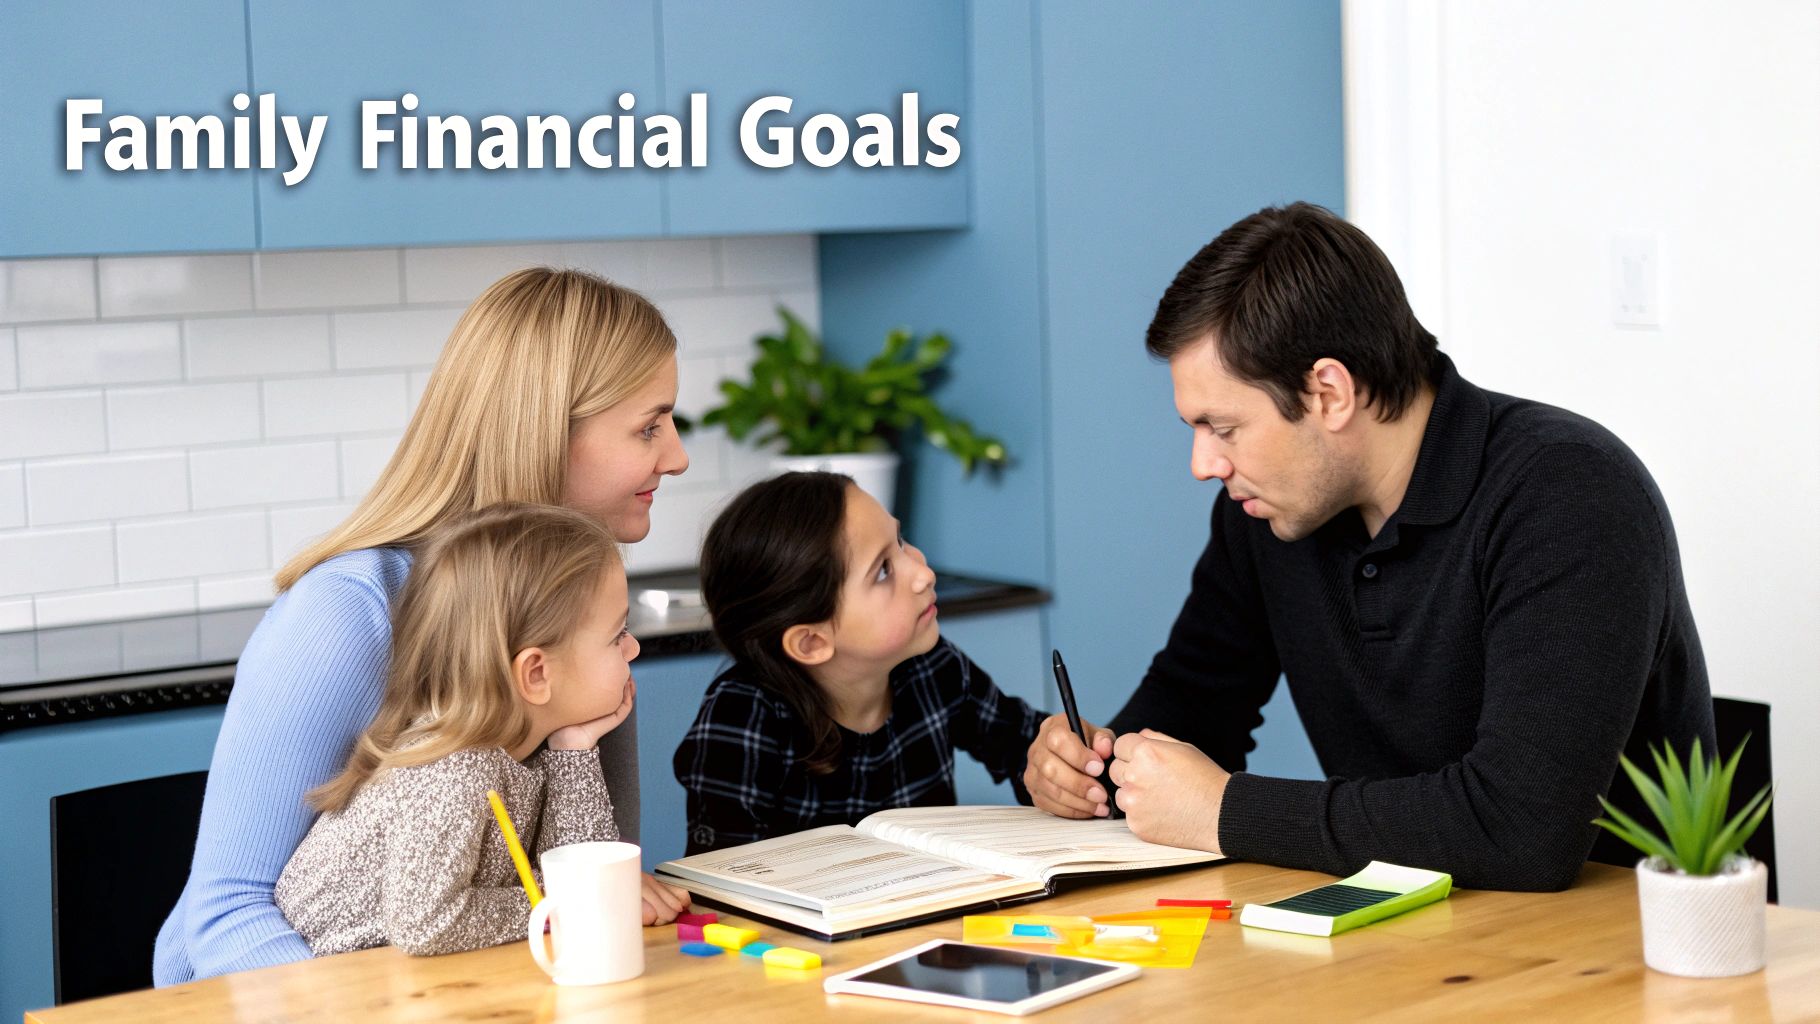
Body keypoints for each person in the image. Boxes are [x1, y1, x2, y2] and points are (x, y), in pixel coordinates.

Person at [1022, 202, 1714, 892]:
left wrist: (1224, 810)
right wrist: (1092, 770)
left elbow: (1524, 829)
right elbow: (1190, 713)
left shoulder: (1570, 492)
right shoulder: (1266, 512)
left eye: (1224, 428)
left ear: (1329, 393)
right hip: (1404, 932)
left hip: (1611, 957)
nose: (1203, 463)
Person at [156, 268, 692, 984]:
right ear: (543, 429)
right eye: (649, 427)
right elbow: (225, 916)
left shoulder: (576, 613)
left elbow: (578, 870)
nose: (678, 456)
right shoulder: (347, 613)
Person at [276, 503, 636, 957]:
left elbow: (580, 870)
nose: (634, 647)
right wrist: (563, 900)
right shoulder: (452, 767)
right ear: (536, 675)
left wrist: (574, 750)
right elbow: (428, 923)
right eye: (618, 634)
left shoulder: (525, 747)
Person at [674, 471, 1043, 854]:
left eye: (899, 541)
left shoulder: (933, 666)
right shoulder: (742, 717)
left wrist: (1056, 764)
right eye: (883, 570)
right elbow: (722, 882)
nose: (923, 573)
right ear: (812, 641)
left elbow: (1025, 748)